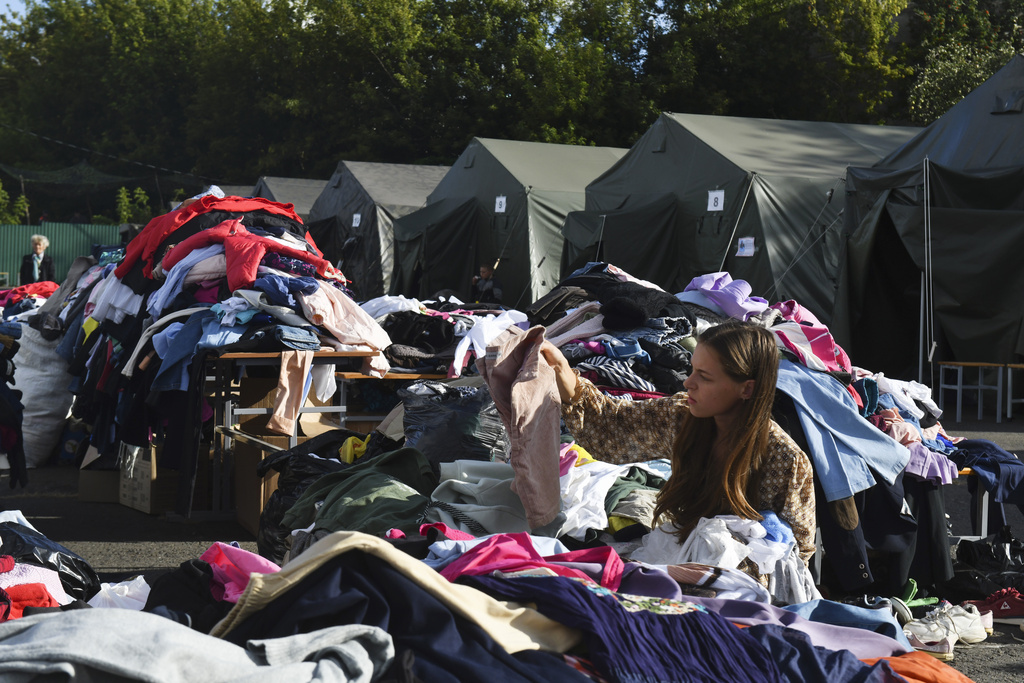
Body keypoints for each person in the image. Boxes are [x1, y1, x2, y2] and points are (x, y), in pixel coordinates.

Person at [539, 321, 815, 579]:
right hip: (678, 550)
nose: (688, 382)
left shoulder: (785, 461)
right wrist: (563, 371)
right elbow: (614, 426)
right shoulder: (683, 417)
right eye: (692, 369)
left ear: (746, 389)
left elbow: (795, 558)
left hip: (739, 583)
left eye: (704, 377)